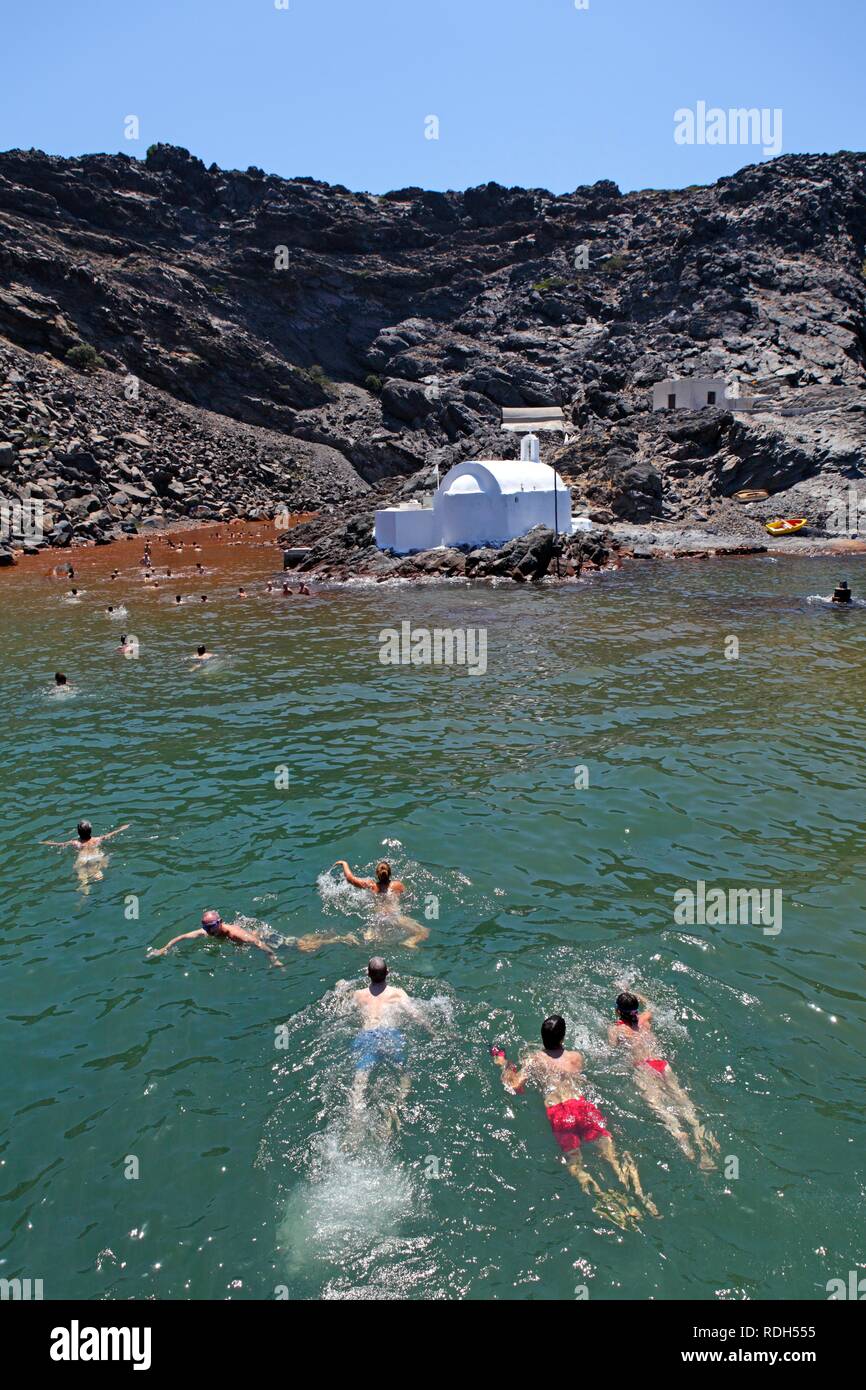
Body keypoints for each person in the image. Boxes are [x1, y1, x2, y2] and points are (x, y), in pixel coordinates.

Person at [492, 1014, 658, 1227]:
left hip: (559, 1113)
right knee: (611, 1154)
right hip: (581, 1106)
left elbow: (515, 1086)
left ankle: (601, 1196)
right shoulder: (575, 1057)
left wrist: (503, 1063)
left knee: (575, 1162)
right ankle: (640, 1195)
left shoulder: (534, 1059)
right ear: (563, 1038)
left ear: (542, 1038)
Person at [609, 991, 719, 1169]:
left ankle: (678, 1132)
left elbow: (612, 1049)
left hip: (643, 1067)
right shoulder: (645, 1019)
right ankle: (699, 1131)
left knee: (659, 1106)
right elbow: (652, 1005)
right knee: (683, 1100)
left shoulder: (616, 1029)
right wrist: (632, 991)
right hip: (662, 1064)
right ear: (636, 1009)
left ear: (617, 1011)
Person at [350, 957, 427, 1123]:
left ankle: (355, 1121)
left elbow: (342, 1013)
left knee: (360, 1081)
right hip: (390, 1035)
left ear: (367, 973)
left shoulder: (358, 995)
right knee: (403, 1074)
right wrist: (432, 1030)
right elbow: (416, 1015)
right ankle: (396, 1106)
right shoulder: (398, 994)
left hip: (367, 1036)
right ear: (388, 972)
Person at [298, 860, 429, 952]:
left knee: (367, 941)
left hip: (378, 918)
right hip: (395, 916)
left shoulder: (371, 885)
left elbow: (349, 878)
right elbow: (408, 899)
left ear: (376, 874)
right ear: (390, 874)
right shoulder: (398, 885)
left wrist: (344, 863)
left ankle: (335, 940)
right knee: (423, 932)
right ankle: (409, 942)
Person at [149, 909, 284, 967]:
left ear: (220, 922)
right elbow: (181, 937)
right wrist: (164, 949)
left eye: (212, 926)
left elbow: (257, 942)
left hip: (264, 938)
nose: (208, 930)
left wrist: (274, 959)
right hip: (253, 943)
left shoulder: (234, 934)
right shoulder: (207, 931)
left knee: (298, 946)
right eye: (205, 926)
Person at [41, 819, 130, 894]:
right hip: (95, 858)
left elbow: (60, 844)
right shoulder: (97, 840)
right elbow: (111, 834)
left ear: (78, 832)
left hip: (82, 860)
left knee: (82, 876)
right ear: (90, 831)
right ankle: (96, 877)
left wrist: (48, 843)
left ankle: (84, 889)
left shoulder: (75, 843)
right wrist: (122, 828)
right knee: (97, 874)